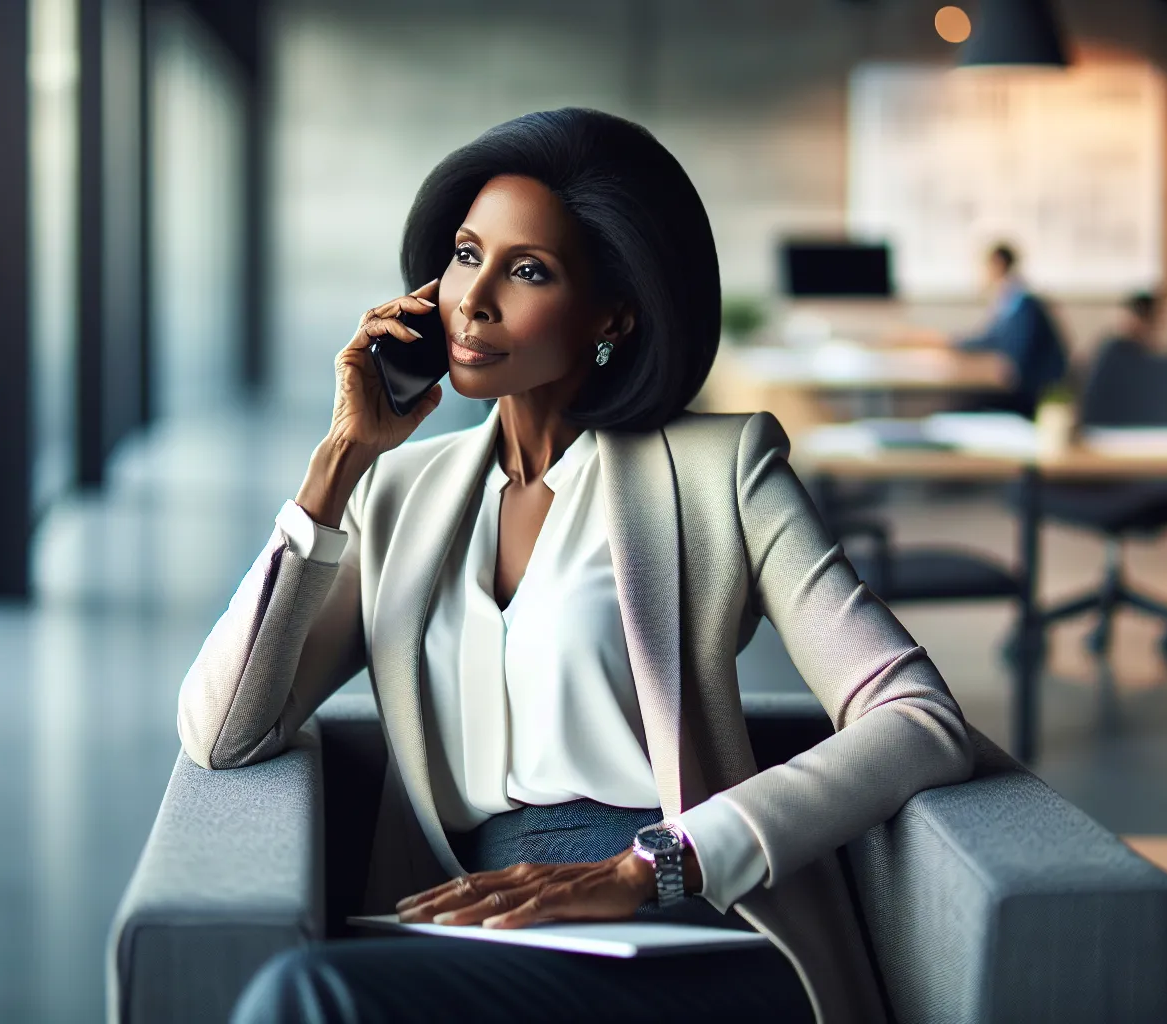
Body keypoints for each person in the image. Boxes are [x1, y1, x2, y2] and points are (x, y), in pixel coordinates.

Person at [178, 108, 973, 1024]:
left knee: (305, 995)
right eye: (467, 255)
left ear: (613, 313)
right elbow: (224, 731)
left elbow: (919, 719)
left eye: (527, 271)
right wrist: (338, 463)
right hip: (477, 927)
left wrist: (651, 866)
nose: (473, 300)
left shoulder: (722, 471)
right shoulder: (399, 493)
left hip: (677, 927)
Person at [889, 243, 1070, 417]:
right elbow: (989, 339)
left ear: (997, 264)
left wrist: (949, 342)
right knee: (954, 408)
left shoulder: (1023, 303)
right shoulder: (1011, 299)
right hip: (1019, 388)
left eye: (985, 266)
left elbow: (1008, 354)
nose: (982, 273)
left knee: (954, 411)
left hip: (1030, 394)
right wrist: (949, 341)